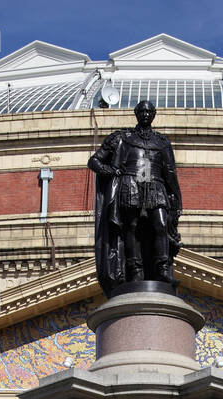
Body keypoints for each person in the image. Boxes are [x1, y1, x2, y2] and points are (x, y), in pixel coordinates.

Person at [88, 100, 182, 295]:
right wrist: (111, 171)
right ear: (136, 113)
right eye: (142, 111)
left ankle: (163, 269)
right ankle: (135, 270)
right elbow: (94, 160)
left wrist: (176, 200)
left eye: (149, 111)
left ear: (154, 114)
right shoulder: (122, 137)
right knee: (132, 227)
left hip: (156, 185)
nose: (146, 114)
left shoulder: (162, 142)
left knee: (161, 224)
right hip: (130, 184)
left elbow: (170, 172)